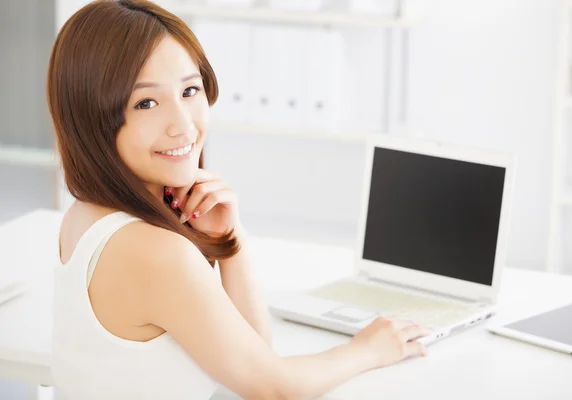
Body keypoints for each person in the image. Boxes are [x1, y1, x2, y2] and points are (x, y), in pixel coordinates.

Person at [48, 1, 431, 398]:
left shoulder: (85, 216)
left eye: (189, 90)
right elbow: (273, 387)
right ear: (90, 115)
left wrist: (229, 241)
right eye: (145, 102)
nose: (183, 124)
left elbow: (254, 361)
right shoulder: (156, 253)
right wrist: (367, 349)